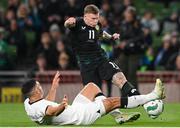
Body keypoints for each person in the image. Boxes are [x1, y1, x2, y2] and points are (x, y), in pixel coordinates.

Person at [64, 4, 145, 122]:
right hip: (86, 65)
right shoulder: (77, 23)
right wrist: (68, 22)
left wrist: (111, 37)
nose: (95, 21)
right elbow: (68, 24)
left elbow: (101, 34)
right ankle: (119, 116)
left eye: (97, 18)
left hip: (101, 59)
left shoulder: (97, 25)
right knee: (98, 97)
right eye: (92, 18)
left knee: (119, 77)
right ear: (85, 16)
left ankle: (141, 99)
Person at [22, 71, 165, 125]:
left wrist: (53, 87)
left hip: (74, 109)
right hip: (82, 116)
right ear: (35, 91)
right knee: (112, 101)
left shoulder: (29, 103)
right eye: (39, 86)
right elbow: (52, 111)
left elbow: (47, 104)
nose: (41, 87)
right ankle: (154, 95)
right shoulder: (40, 107)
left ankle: (118, 116)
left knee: (91, 86)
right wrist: (62, 105)